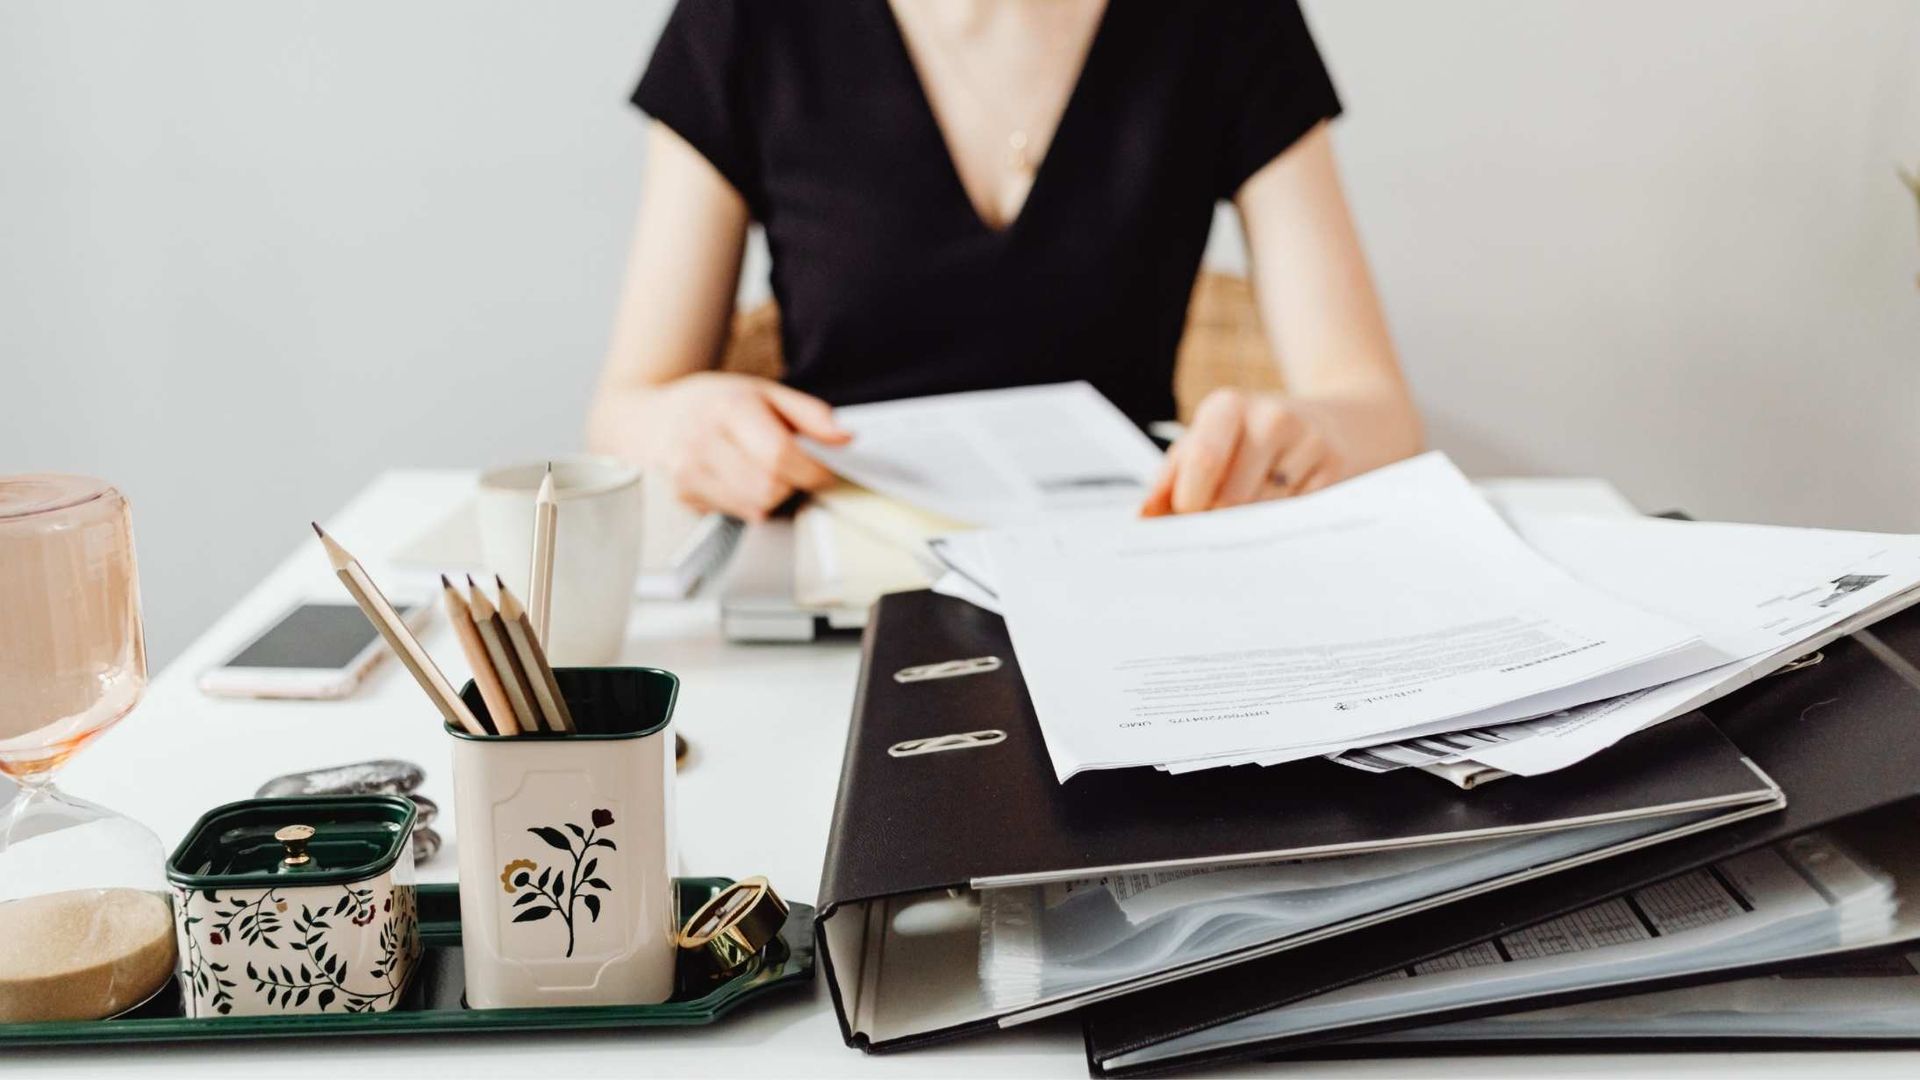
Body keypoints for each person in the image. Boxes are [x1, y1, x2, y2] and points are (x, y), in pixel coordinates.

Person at [588, 0, 1421, 522]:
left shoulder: (1226, 19)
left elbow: (1378, 410)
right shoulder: (746, 20)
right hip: (845, 575)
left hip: (1132, 562)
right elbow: (624, 408)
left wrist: (1306, 433)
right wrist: (685, 423)